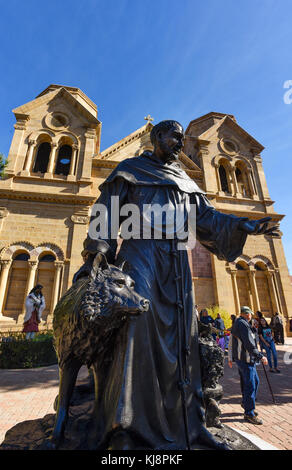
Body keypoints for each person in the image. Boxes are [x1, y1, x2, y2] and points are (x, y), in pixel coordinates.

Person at [73, 120, 279, 449]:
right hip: (141, 254)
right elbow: (106, 211)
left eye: (183, 137)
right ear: (157, 137)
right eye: (175, 136)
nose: (180, 142)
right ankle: (124, 427)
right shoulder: (130, 169)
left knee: (184, 339)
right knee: (135, 329)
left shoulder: (185, 180)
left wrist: (246, 225)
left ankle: (191, 426)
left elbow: (209, 220)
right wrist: (97, 252)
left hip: (177, 263)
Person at [228, 306, 268, 425]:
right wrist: (261, 356)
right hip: (245, 359)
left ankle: (246, 403)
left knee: (253, 382)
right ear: (247, 314)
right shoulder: (242, 324)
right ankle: (249, 413)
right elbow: (249, 344)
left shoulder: (241, 323)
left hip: (245, 359)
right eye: (250, 314)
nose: (251, 316)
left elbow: (236, 341)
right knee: (250, 384)